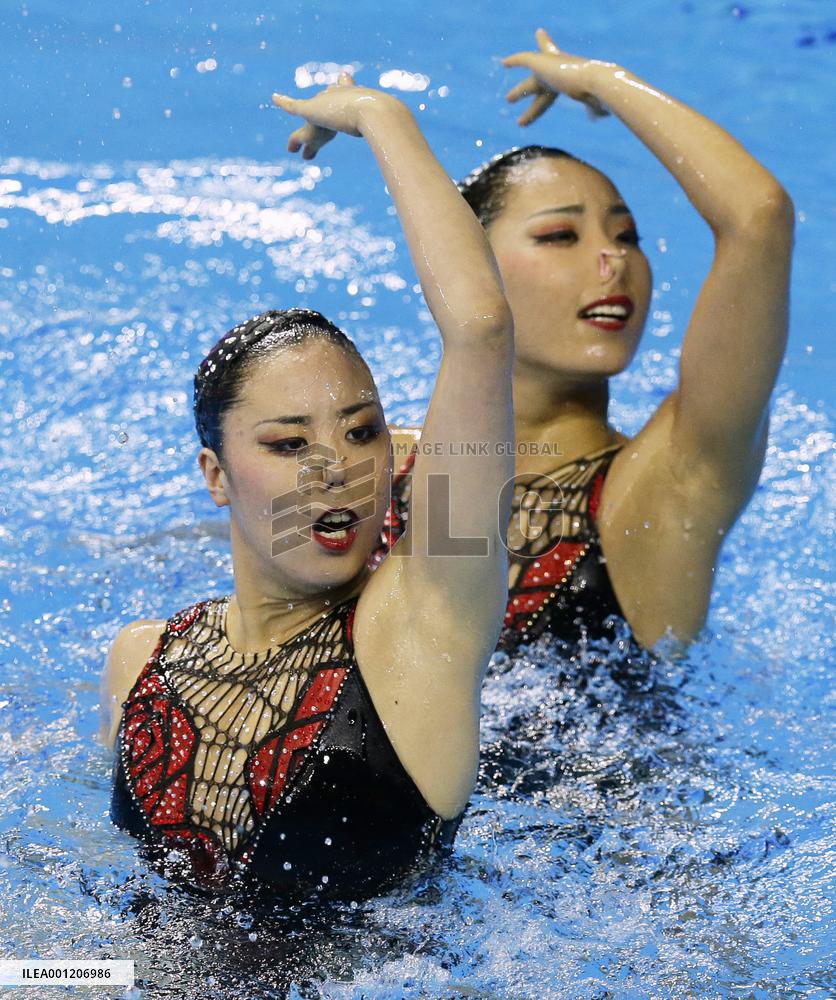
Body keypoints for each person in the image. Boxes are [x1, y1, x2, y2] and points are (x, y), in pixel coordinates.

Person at [99, 73, 515, 898]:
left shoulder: (420, 631)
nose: (336, 466)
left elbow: (480, 329)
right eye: (289, 443)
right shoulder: (141, 659)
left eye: (362, 431)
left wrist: (378, 115)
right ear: (215, 476)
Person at [373, 29, 794, 654]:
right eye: (560, 237)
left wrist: (603, 80)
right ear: (469, 268)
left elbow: (758, 218)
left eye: (627, 237)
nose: (612, 261)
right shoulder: (381, 466)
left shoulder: (663, 488)